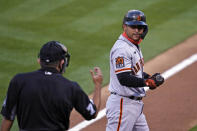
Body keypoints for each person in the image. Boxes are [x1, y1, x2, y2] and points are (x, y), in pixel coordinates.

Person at [0, 41, 103, 131]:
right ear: (62, 63)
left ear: (39, 61)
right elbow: (92, 113)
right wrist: (98, 85)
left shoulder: (18, 81)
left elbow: (8, 118)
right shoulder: (71, 87)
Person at [106, 10, 164, 131]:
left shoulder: (133, 45)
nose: (137, 30)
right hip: (122, 105)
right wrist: (146, 82)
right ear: (124, 26)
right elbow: (124, 78)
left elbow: (135, 73)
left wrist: (149, 77)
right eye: (133, 27)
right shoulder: (122, 48)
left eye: (140, 27)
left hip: (135, 107)